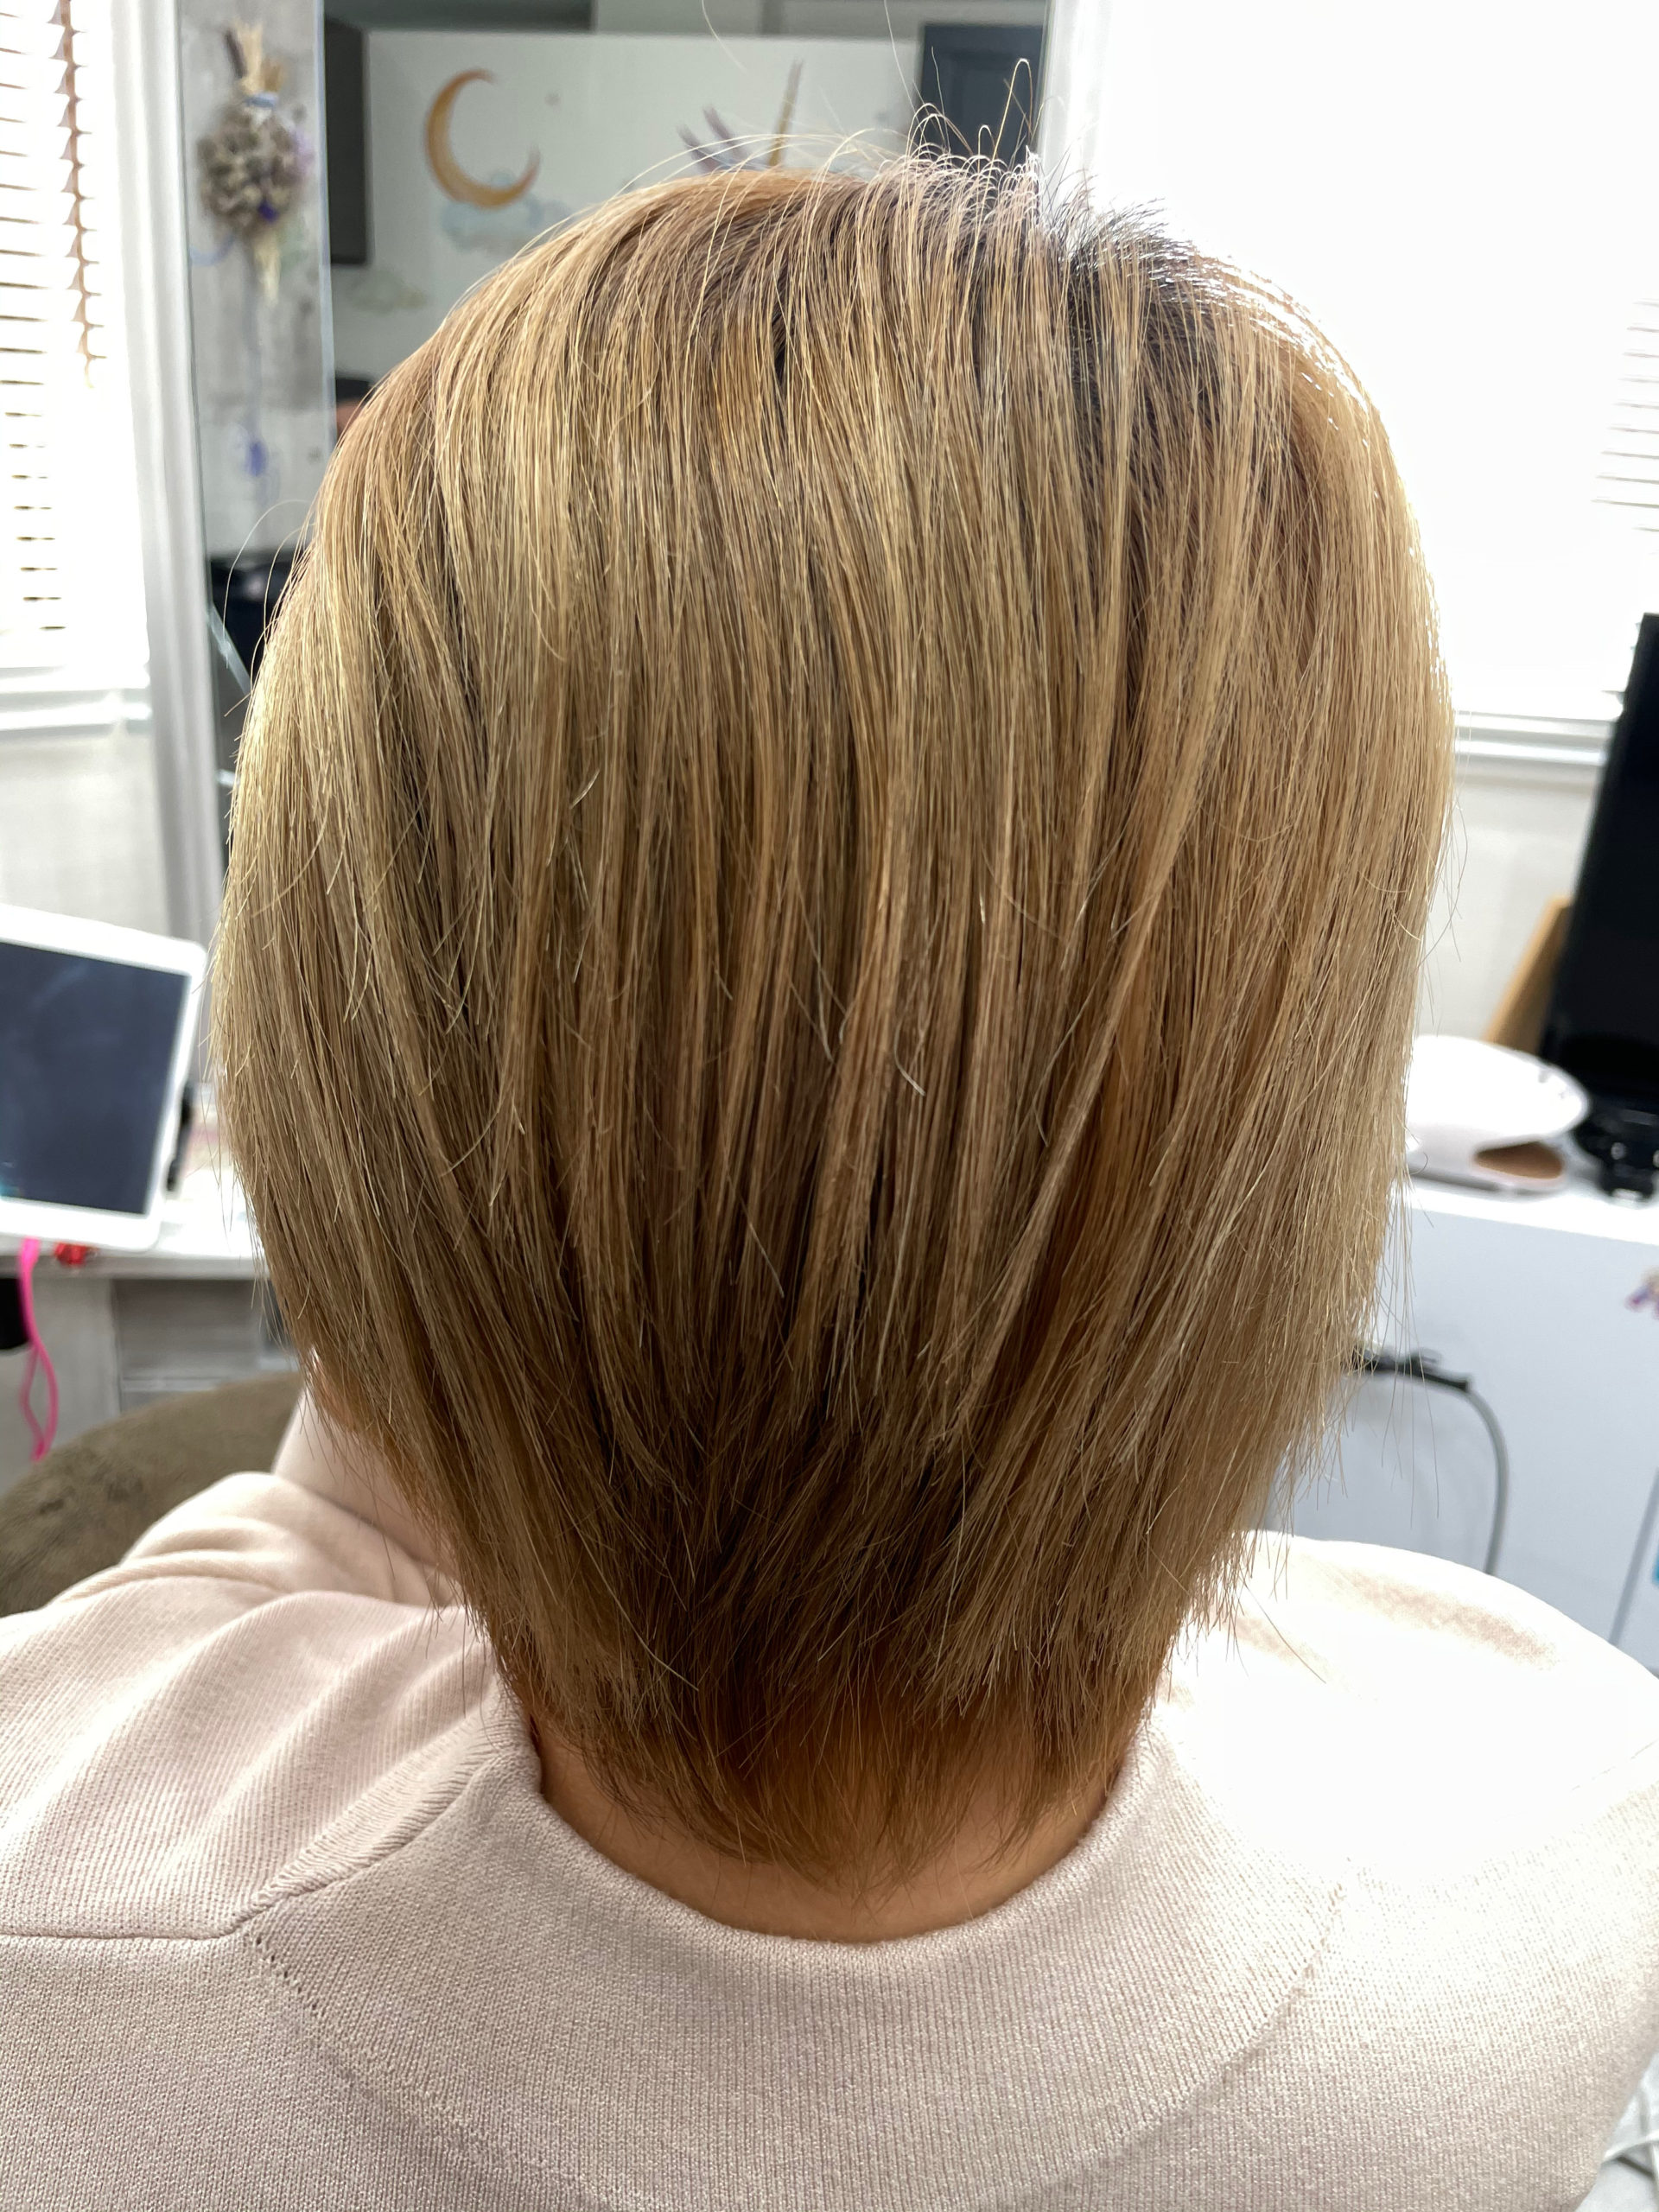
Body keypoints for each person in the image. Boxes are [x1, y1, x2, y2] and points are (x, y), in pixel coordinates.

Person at [2, 158, 1656, 2209]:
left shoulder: (61, 1906)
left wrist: (436, 1240)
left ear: (333, 1064)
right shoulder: (1562, 1820)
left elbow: (249, 1599)